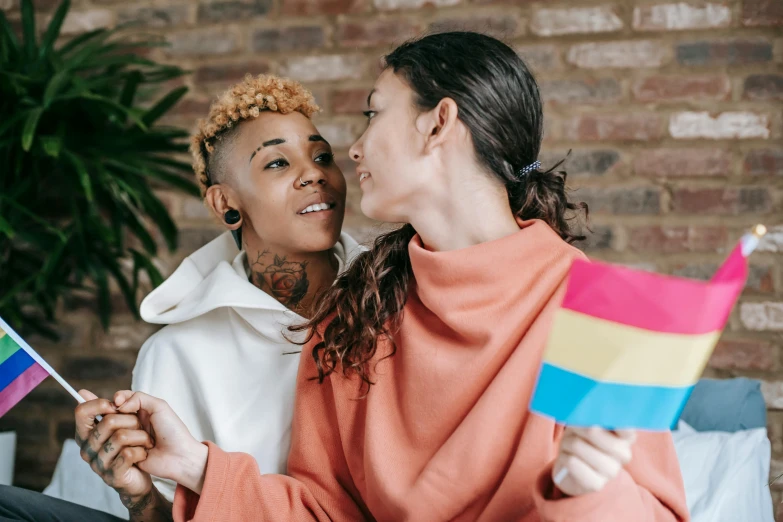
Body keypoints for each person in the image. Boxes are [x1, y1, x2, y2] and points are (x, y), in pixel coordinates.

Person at [79, 31, 689, 521]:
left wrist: (587, 495)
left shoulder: (608, 313)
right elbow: (324, 510)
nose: (354, 149)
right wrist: (196, 466)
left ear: (438, 123)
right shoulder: (356, 318)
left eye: (374, 115)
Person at [0, 74, 363, 521]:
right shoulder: (174, 353)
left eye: (322, 155)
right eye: (276, 163)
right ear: (225, 203)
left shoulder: (394, 299)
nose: (314, 174)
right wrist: (139, 495)